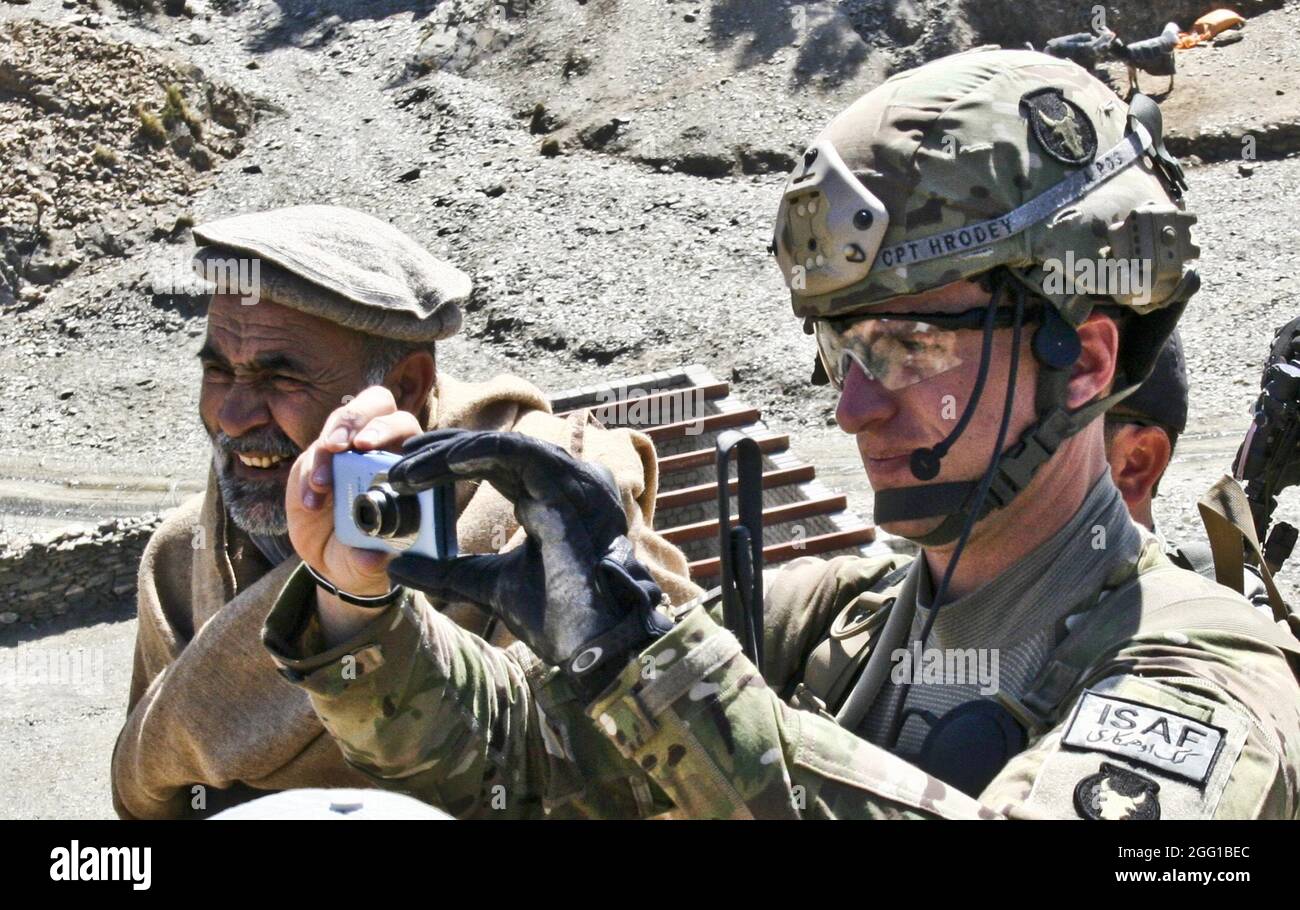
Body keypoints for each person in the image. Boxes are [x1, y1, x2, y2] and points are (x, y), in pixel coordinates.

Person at [264, 49, 1300, 819]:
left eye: (906, 346)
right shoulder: (839, 622)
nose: (852, 407)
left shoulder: (1201, 671)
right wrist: (361, 604)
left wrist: (647, 659)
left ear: (1082, 361)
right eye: (841, 351)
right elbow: (518, 761)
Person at [111, 205, 697, 820]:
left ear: (408, 388)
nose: (231, 417)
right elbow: (147, 800)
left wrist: (358, 609)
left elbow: (665, 757)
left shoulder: (555, 502)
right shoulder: (187, 555)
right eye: (218, 371)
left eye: (279, 379)